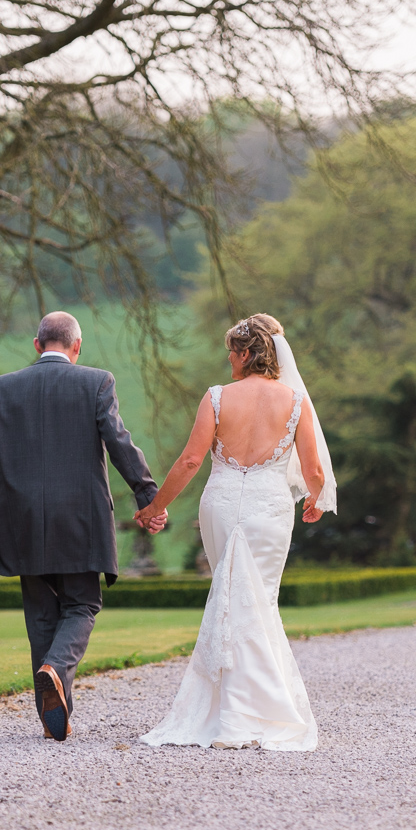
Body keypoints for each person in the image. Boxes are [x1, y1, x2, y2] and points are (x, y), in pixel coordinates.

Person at [135, 314, 331, 751]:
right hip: (269, 508)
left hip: (222, 504)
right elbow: (313, 469)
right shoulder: (295, 401)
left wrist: (155, 507)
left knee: (229, 595)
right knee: (259, 599)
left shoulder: (218, 398)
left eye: (231, 351)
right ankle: (259, 709)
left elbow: (190, 461)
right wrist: (316, 499)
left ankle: (230, 712)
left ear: (246, 353)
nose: (228, 358)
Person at [0, 311, 166, 742]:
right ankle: (54, 672)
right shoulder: (96, 382)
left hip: (20, 518)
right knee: (82, 604)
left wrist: (7, 503)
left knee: (41, 611)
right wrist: (147, 495)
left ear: (37, 345)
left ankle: (52, 709)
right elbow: (119, 442)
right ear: (76, 348)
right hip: (81, 518)